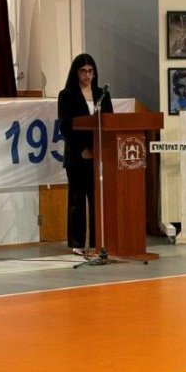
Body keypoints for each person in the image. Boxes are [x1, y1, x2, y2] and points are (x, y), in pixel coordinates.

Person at [57, 53, 113, 256]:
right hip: (77, 155)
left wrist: (99, 150)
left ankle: (98, 242)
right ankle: (78, 243)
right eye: (83, 71)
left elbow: (109, 121)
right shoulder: (66, 95)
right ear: (76, 73)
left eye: (90, 71)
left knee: (97, 200)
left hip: (98, 155)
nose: (87, 75)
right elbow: (66, 126)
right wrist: (82, 149)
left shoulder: (102, 94)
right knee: (77, 201)